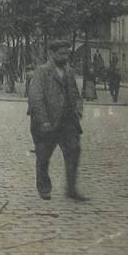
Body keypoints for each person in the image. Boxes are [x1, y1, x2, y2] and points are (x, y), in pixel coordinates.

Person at [28, 40, 88, 202]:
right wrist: (43, 120)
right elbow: (36, 97)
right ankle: (44, 187)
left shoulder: (69, 71)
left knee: (74, 151)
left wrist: (78, 108)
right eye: (61, 54)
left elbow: (75, 94)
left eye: (67, 54)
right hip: (47, 121)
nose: (65, 57)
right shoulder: (42, 72)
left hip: (67, 122)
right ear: (52, 54)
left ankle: (71, 189)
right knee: (43, 156)